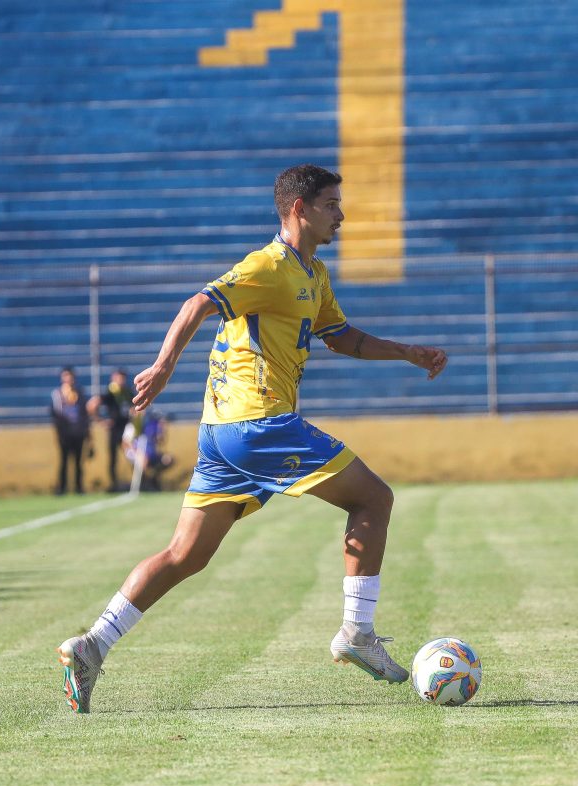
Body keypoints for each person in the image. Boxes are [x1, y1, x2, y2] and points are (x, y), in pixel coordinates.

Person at [56, 164, 449, 713]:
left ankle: (92, 644)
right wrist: (164, 366)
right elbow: (198, 303)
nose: (342, 214)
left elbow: (344, 338)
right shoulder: (268, 267)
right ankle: (357, 633)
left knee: (185, 555)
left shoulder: (313, 274)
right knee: (373, 498)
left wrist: (407, 352)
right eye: (332, 204)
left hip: (220, 434)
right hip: (257, 423)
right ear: (299, 209)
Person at [89, 368, 135, 492]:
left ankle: (138, 482)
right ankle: (113, 483)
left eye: (123, 378)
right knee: (113, 457)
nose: (121, 380)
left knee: (132, 455)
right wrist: (100, 420)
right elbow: (92, 405)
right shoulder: (110, 392)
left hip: (126, 429)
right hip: (114, 430)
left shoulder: (127, 391)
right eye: (119, 378)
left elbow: (134, 407)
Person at [50, 366, 92, 495]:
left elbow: (84, 414)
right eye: (65, 376)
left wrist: (85, 432)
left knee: (79, 462)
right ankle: (62, 487)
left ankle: (79, 487)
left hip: (78, 433)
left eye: (70, 376)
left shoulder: (80, 392)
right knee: (64, 461)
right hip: (65, 434)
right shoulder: (57, 394)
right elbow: (56, 414)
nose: (68, 379)